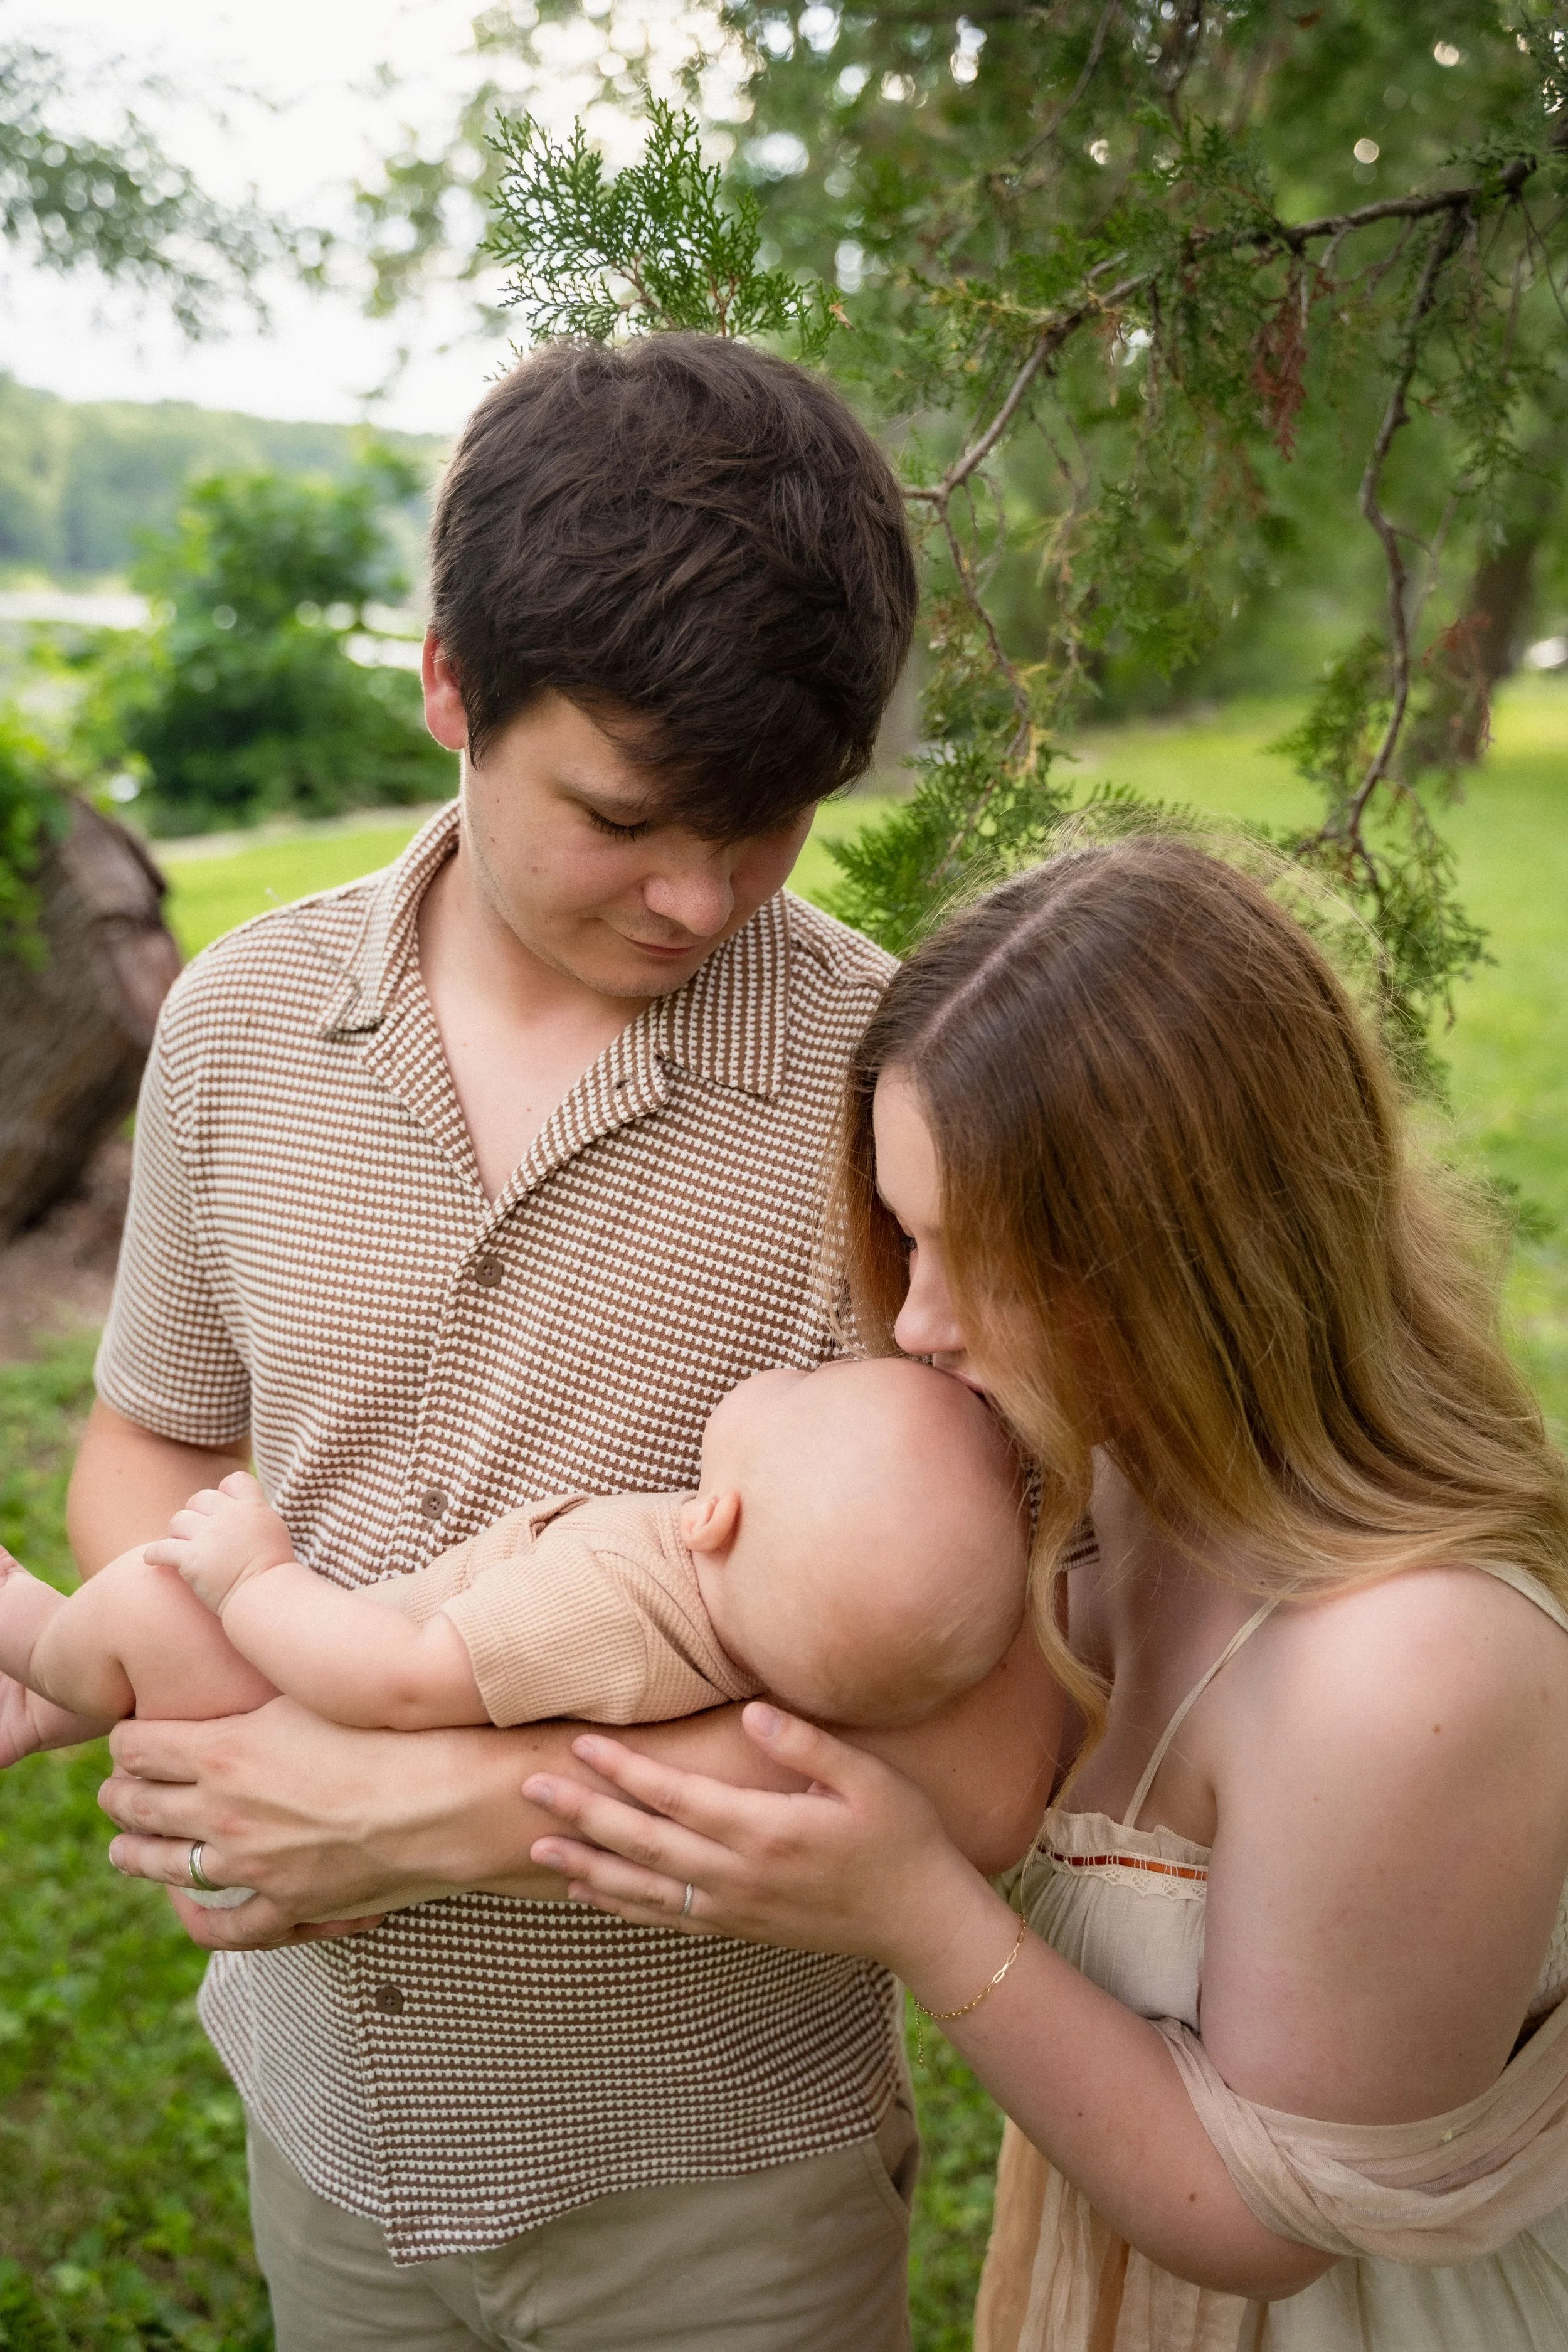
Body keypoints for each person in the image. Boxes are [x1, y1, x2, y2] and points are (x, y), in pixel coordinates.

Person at [26, 334, 1063, 2349]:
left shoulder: (894, 1099)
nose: (703, 894)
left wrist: (442, 1801)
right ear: (447, 688)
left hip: (714, 2172)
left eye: (769, 822)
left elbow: (999, 1723)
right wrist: (236, 1731)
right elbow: (151, 1445)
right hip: (320, 2110)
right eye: (625, 814)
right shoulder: (239, 1026)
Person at [522, 836, 1568, 2351]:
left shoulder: (1405, 1663)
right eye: (905, 1234)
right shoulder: (1101, 1465)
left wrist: (917, 1914)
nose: (920, 1322)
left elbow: (1264, 2223)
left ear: (1201, 1256)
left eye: (990, 1261)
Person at [0, 1356, 1027, 1766]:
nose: (787, 1373)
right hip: (311, 1677)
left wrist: (256, 1578)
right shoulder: (734, 1629)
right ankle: (60, 1703)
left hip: (293, 1692)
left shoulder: (615, 1602)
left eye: (801, 1386)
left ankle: (40, 1656)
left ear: (714, 1515)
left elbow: (402, 1684)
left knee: (149, 1597)